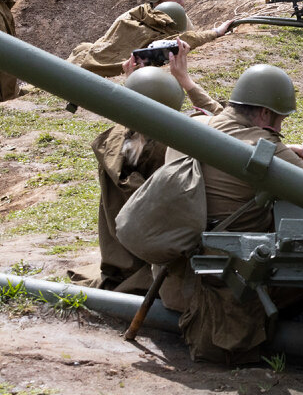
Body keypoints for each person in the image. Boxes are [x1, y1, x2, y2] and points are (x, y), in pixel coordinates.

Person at [158, 64, 303, 362]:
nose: (280, 129)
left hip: (177, 276)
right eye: (279, 121)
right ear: (264, 114)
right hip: (229, 287)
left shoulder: (195, 126)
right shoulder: (270, 152)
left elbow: (224, 121)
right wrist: (284, 154)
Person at [88, 41, 224, 293]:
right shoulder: (187, 138)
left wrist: (131, 85)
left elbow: (130, 132)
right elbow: (228, 127)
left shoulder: (119, 144)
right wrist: (185, 79)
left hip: (131, 258)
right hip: (173, 254)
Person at [67, 0, 234, 77]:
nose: (182, 3)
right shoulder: (130, 17)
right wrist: (216, 32)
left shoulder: (144, 12)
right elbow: (186, 39)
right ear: (159, 0)